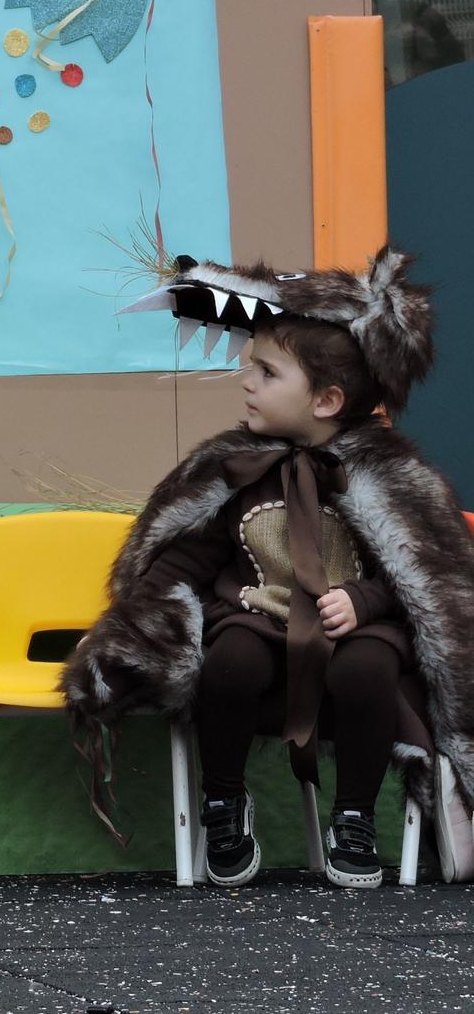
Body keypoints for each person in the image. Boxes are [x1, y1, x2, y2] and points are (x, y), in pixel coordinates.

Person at [63, 247, 474, 888]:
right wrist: (132, 622)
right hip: (257, 618)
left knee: (371, 665)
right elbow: (185, 555)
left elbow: (425, 586)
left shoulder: (395, 480)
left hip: (353, 633)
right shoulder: (235, 469)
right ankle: (225, 800)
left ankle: (356, 818)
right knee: (230, 659)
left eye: (267, 371)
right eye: (249, 367)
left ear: (327, 399)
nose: (246, 382)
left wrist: (363, 602)